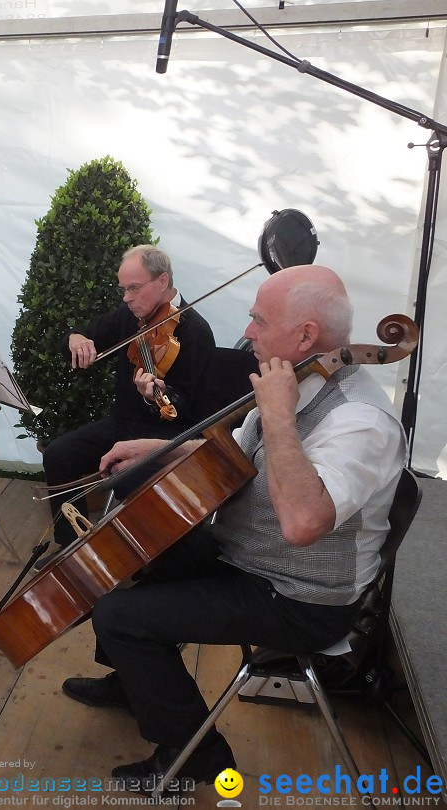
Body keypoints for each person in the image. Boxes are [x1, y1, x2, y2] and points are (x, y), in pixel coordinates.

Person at [61, 264, 406, 793]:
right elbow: (232, 457)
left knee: (121, 616)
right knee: (140, 553)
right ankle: (136, 681)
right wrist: (157, 449)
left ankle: (195, 758)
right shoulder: (293, 380)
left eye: (258, 320)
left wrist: (280, 419)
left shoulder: (358, 421)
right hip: (249, 556)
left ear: (306, 335)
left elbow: (303, 523)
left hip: (302, 595)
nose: (247, 332)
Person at [39, 244, 215, 566]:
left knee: (128, 476)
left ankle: (144, 562)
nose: (126, 298)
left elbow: (187, 409)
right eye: (124, 290)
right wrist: (75, 339)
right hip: (122, 426)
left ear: (162, 281)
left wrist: (155, 396)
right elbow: (78, 336)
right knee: (58, 454)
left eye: (134, 288)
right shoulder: (129, 317)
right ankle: (69, 548)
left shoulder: (196, 333)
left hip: (165, 437)